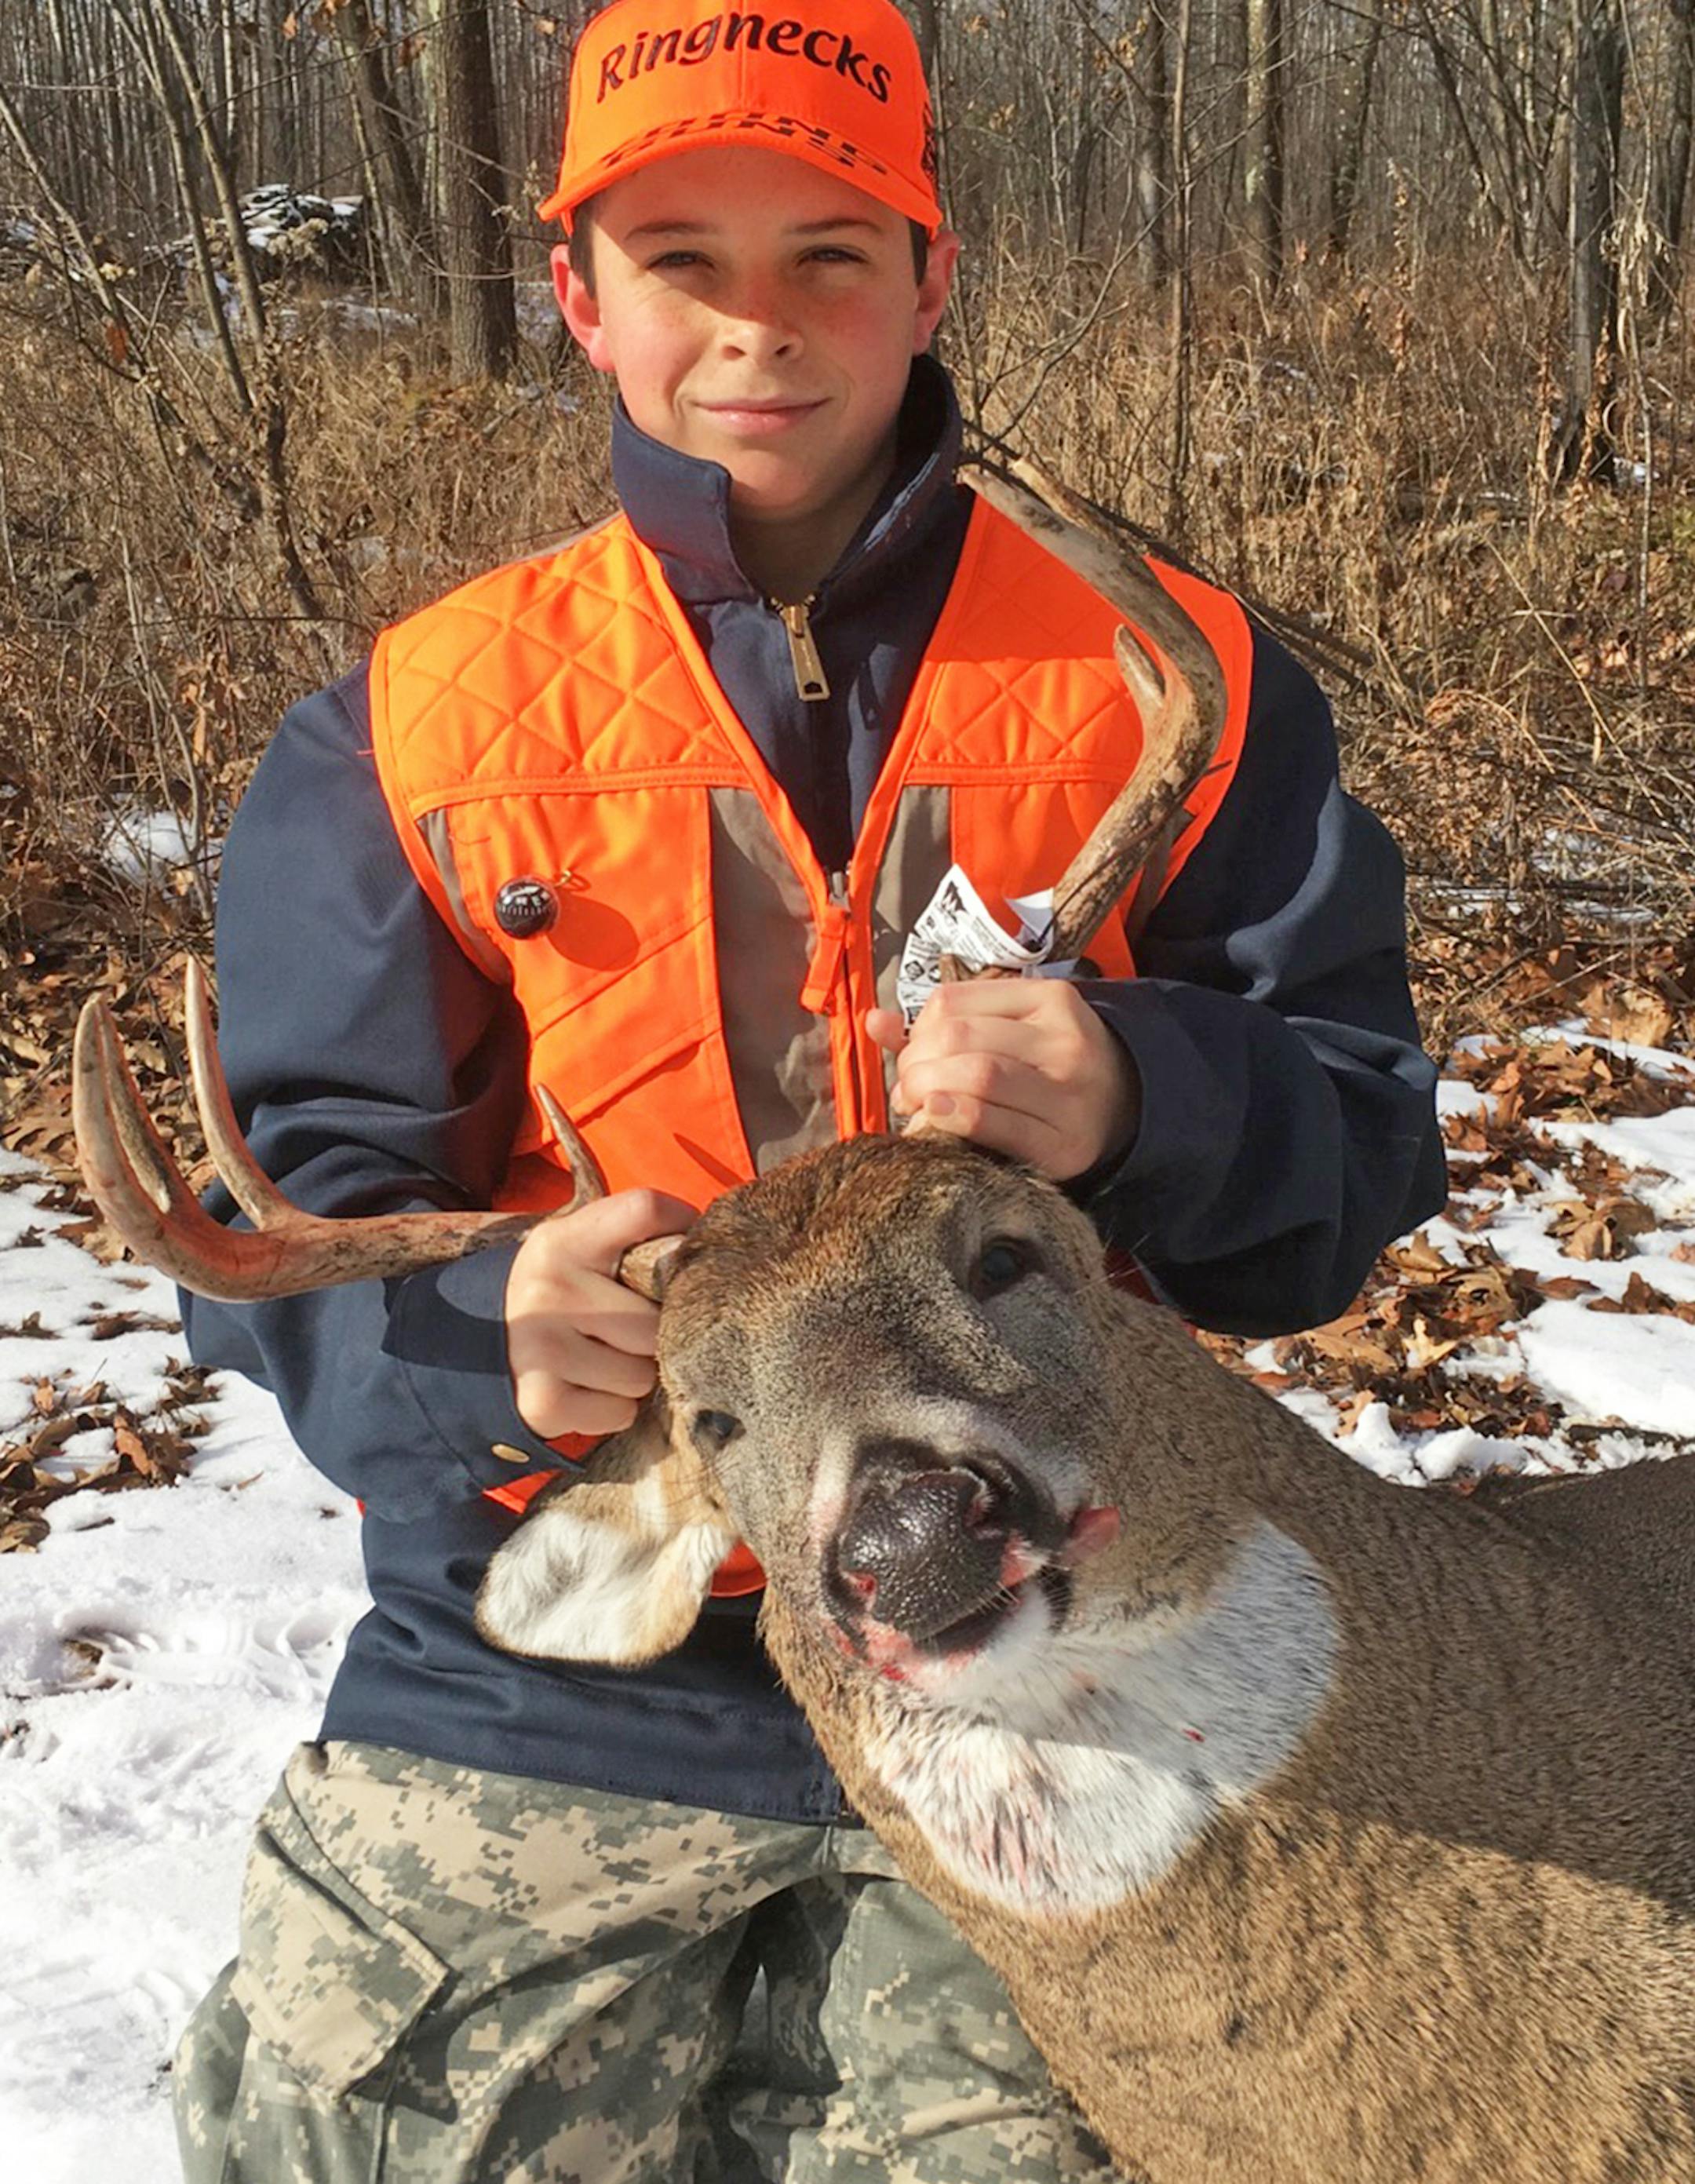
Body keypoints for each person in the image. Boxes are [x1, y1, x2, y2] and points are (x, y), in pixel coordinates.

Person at [170, 2, 1447, 2178]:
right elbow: (289, 1218)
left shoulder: (1181, 677)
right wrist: (487, 1328)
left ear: (933, 274)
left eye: (832, 252)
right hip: (571, 1641)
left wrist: (1153, 1091)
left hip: (1052, 1608)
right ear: (577, 292)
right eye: (683, 255)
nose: (759, 326)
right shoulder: (414, 721)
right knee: (331, 2133)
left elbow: (1356, 1145)